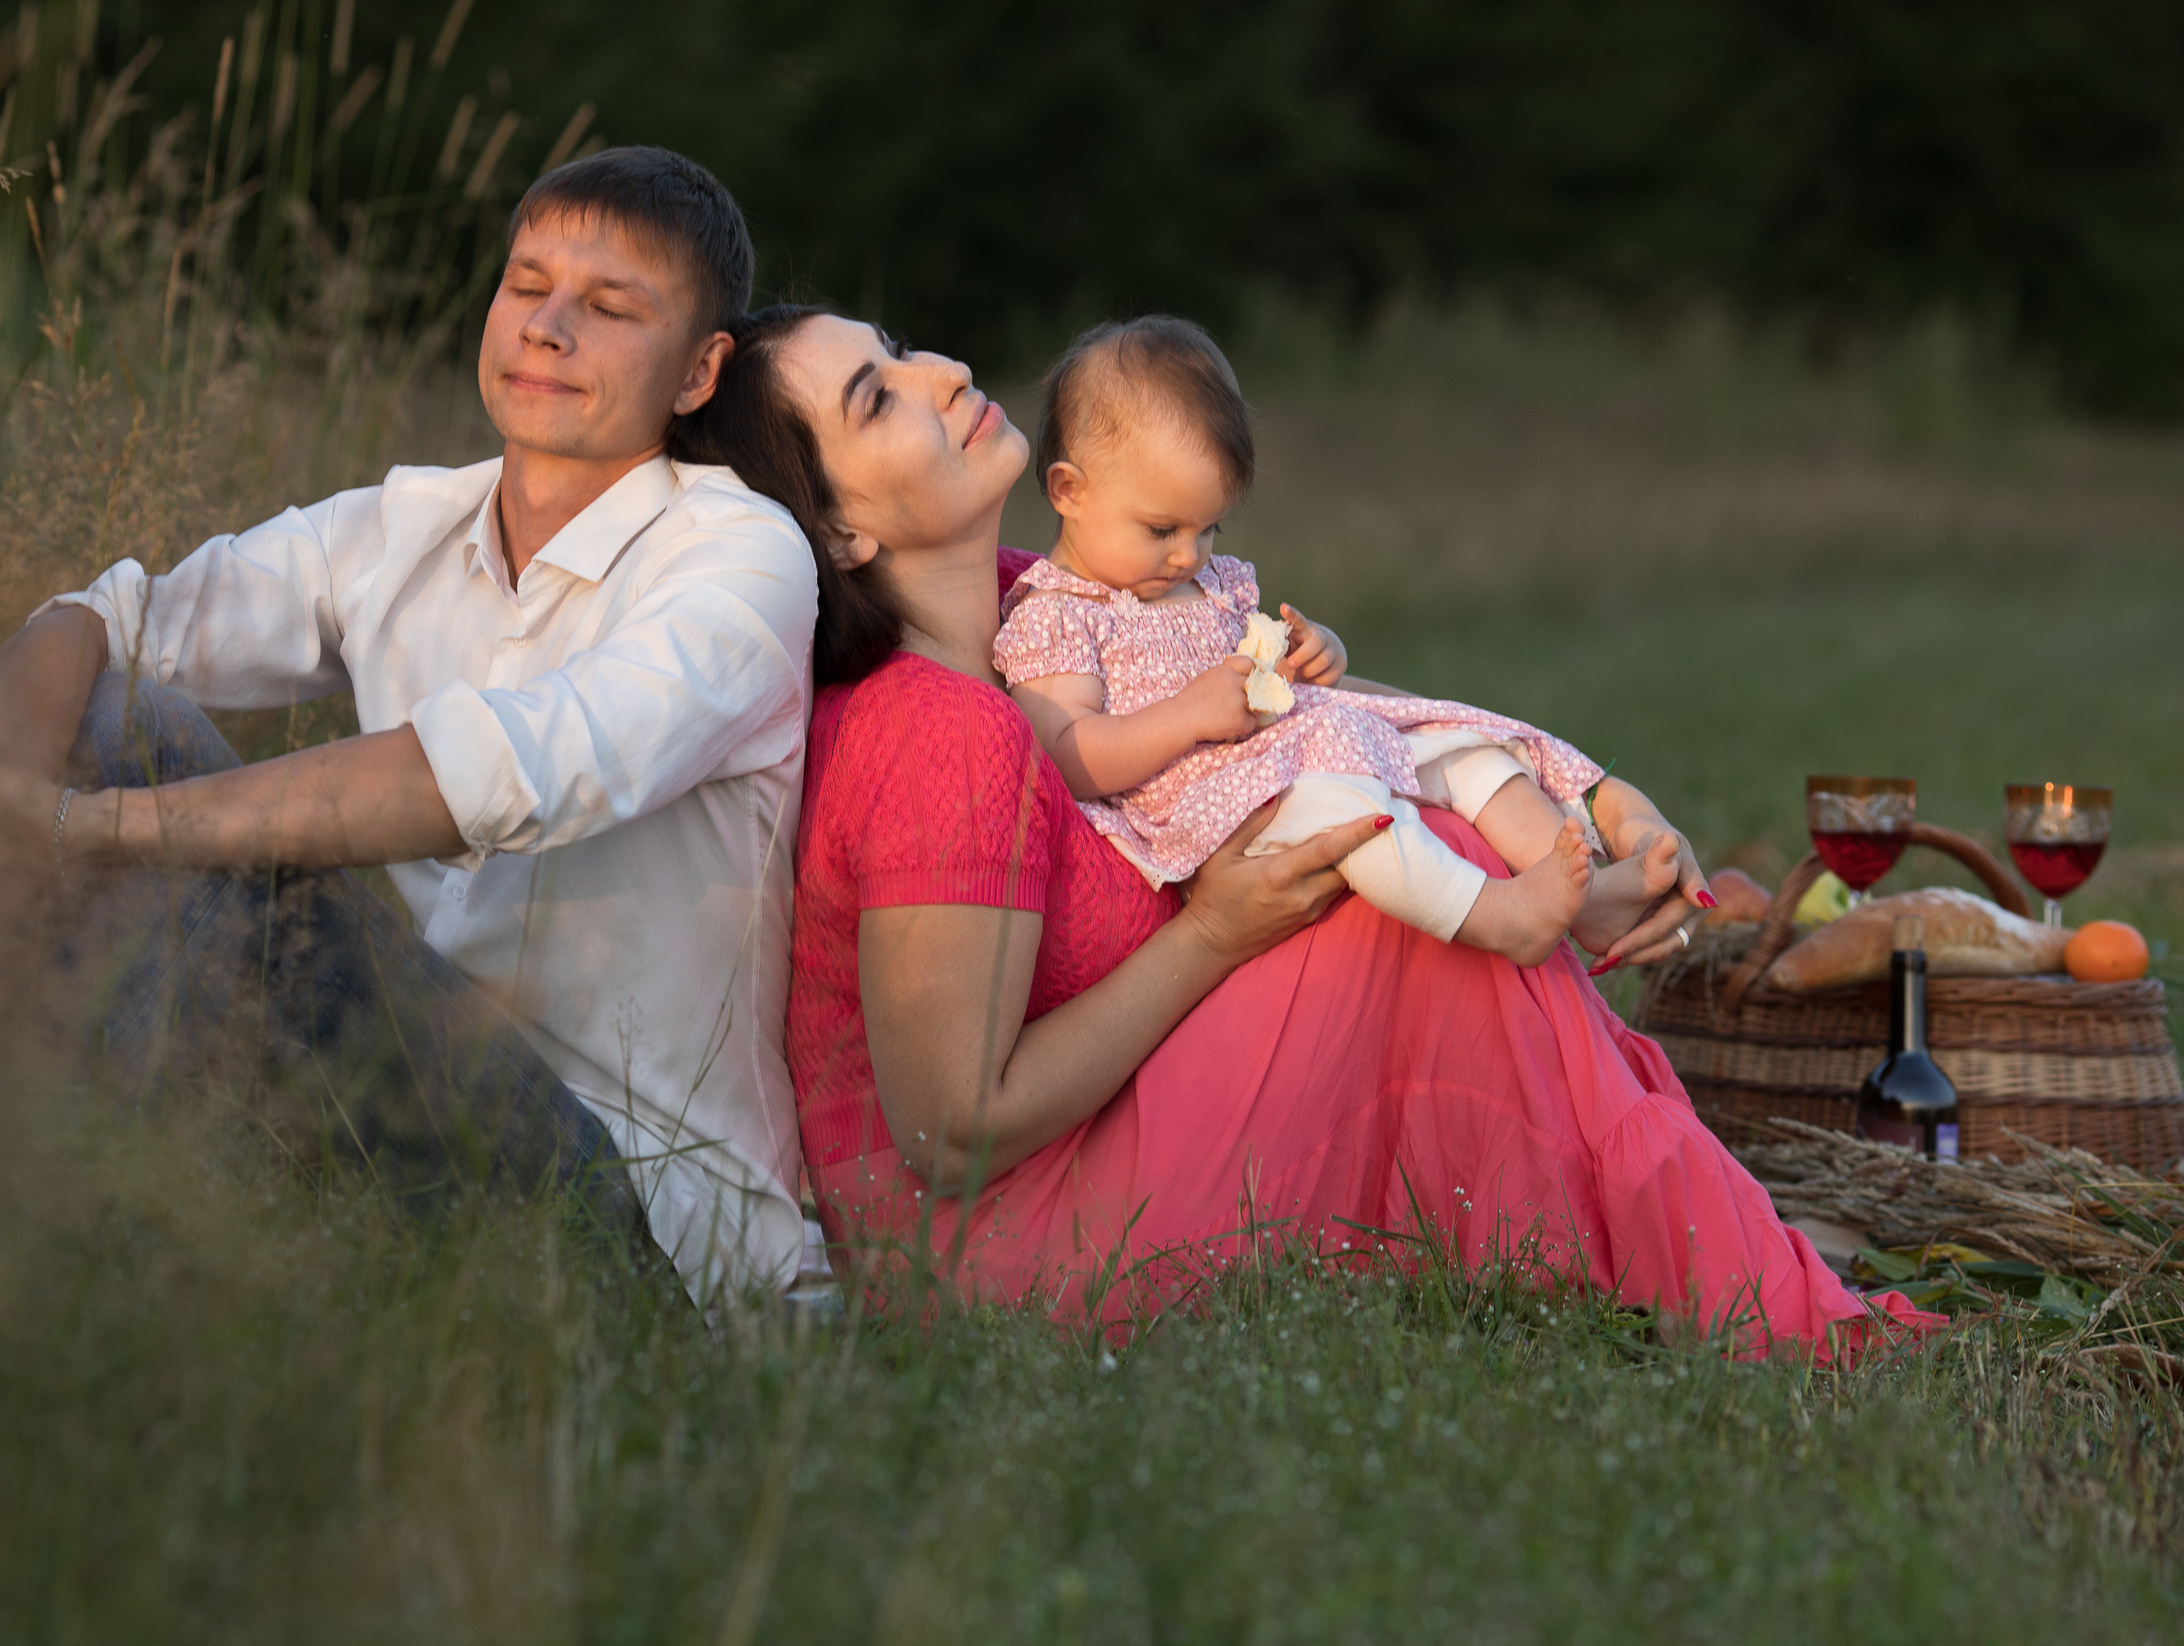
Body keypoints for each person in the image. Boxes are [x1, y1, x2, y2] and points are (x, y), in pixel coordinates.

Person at [668, 304, 1940, 1361]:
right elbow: (952, 1134)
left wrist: (1575, 797)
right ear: (839, 529)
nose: (942, 375)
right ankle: (1739, 1283)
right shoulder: (938, 731)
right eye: (879, 398)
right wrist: (1216, 934)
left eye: (901, 348)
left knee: (1405, 845)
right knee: (1403, 918)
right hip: (990, 1252)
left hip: (1078, 1150)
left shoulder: (1034, 612)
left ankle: (1687, 1242)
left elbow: (1308, 727)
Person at [0, 149, 819, 1309]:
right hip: (390, 1114)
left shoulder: (739, 557)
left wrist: (97, 826)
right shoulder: (405, 525)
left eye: (608, 309)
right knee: (112, 712)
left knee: (186, 804)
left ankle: (69, 1253)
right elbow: (100, 618)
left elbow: (498, 776)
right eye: (525, 286)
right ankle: (20, 1189)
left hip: (637, 1220)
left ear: (701, 371)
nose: (546, 329)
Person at [996, 315, 1691, 968]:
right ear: (1070, 491)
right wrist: (1185, 715)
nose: (1188, 554)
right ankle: (1495, 915)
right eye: (1162, 530)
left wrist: (1314, 655)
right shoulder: (1058, 614)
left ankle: (1588, 899)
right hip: (1224, 809)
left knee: (1462, 754)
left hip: (1302, 744)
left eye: (1209, 529)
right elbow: (1069, 753)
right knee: (1349, 813)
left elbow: (1280, 677)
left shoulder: (1208, 584)